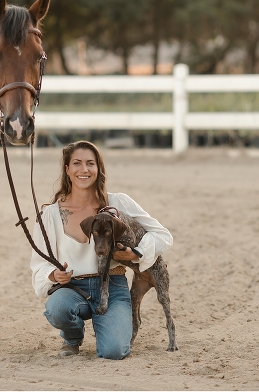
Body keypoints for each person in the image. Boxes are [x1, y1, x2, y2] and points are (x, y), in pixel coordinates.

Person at [29, 141, 173, 359]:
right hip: (72, 288)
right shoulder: (50, 215)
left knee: (113, 351)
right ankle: (73, 337)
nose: (84, 170)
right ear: (67, 169)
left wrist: (137, 253)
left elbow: (163, 235)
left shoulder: (118, 203)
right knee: (57, 308)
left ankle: (109, 325)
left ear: (98, 169)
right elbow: (39, 264)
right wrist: (53, 275)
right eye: (76, 163)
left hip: (113, 286)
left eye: (90, 163)